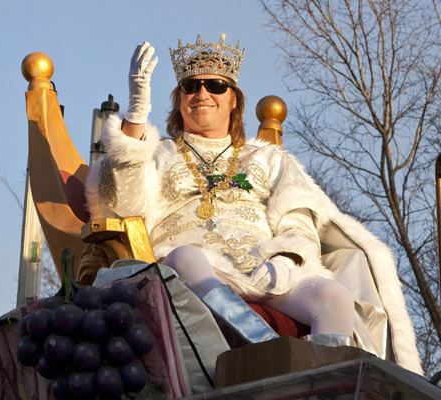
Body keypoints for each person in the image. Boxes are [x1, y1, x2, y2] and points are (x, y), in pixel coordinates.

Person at [85, 36, 422, 374]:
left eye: (215, 85)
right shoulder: (157, 152)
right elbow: (123, 204)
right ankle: (276, 358)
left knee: (334, 296)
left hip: (267, 271)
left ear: (234, 101)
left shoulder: (269, 158)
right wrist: (136, 119)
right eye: (191, 86)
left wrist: (287, 260)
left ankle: (326, 389)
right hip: (194, 269)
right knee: (186, 258)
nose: (202, 94)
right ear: (179, 100)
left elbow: (299, 218)